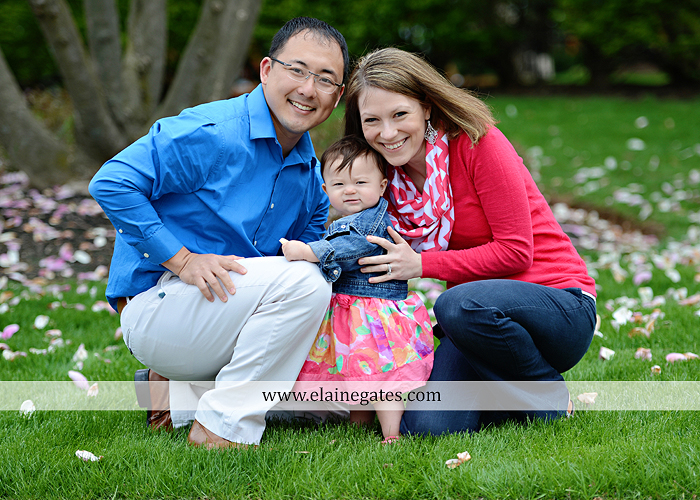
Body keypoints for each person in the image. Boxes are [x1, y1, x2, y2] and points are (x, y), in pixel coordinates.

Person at [88, 17, 349, 449]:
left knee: (333, 388)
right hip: (159, 307)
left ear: (337, 96)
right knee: (306, 282)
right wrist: (182, 260)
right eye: (298, 70)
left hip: (221, 312)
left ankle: (175, 396)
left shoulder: (311, 180)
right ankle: (221, 427)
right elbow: (112, 182)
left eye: (325, 79)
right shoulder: (213, 132)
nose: (309, 89)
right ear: (267, 70)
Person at [342, 47, 597, 435]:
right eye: (372, 121)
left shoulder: (477, 143)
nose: (387, 133)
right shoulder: (382, 178)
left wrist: (421, 265)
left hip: (558, 305)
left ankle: (548, 397)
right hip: (476, 326)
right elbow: (352, 233)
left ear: (426, 106)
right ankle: (510, 398)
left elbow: (516, 251)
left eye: (400, 114)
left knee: (455, 303)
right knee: (427, 426)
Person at [280, 136, 434, 442]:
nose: (350, 190)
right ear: (325, 190)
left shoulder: (369, 223)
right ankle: (358, 424)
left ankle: (392, 433)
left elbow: (351, 249)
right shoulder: (347, 219)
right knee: (359, 372)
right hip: (353, 311)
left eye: (360, 182)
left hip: (373, 314)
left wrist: (308, 252)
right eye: (339, 184)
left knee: (382, 379)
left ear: (382, 186)